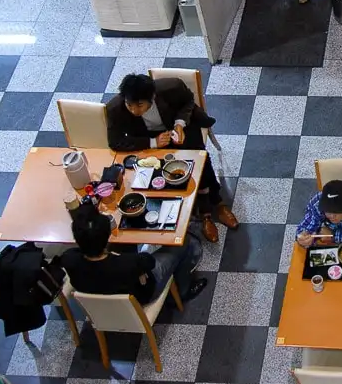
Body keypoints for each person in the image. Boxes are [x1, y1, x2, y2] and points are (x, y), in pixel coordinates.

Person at [106, 74, 237, 243]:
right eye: (129, 105)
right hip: (147, 139)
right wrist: (153, 142)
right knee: (159, 176)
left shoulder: (172, 87)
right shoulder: (114, 109)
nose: (134, 110)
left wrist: (179, 124)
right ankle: (187, 209)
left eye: (139, 105)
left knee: (200, 160)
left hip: (177, 127)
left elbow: (188, 102)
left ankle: (216, 203)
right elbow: (115, 141)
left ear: (152, 97)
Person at [61, 204, 208, 303]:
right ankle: (183, 290)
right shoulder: (127, 264)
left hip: (103, 301)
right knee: (182, 241)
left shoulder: (68, 259)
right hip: (143, 295)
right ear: (106, 235)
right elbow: (148, 261)